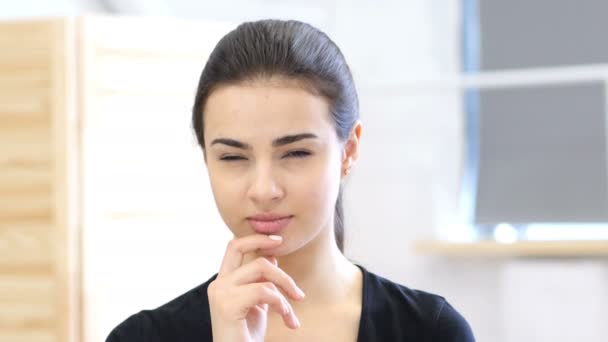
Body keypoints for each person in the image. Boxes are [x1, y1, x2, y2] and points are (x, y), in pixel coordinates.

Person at [106, 19, 475, 342]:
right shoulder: (142, 337)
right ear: (206, 157)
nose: (264, 190)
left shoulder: (430, 331)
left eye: (296, 153)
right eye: (233, 157)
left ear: (348, 151)